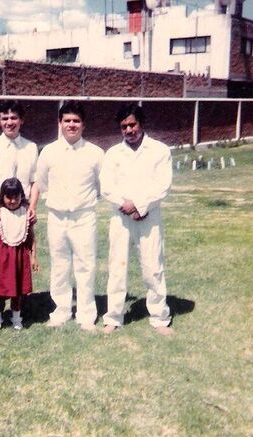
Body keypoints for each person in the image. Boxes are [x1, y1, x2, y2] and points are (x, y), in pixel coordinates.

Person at [100, 103, 174, 335]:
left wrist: (140, 206)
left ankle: (160, 317)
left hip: (149, 217)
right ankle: (113, 317)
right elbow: (106, 186)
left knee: (153, 267)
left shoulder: (160, 150)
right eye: (124, 127)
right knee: (117, 268)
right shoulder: (113, 153)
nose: (129, 130)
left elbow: (163, 185)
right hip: (121, 218)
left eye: (132, 124)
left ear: (141, 124)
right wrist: (125, 205)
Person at [36, 100, 104, 331]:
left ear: (83, 125)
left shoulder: (95, 153)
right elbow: (42, 182)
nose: (72, 125)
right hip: (56, 217)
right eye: (67, 121)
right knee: (60, 266)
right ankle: (61, 311)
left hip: (84, 217)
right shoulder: (48, 151)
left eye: (76, 121)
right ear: (60, 123)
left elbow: (101, 185)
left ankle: (86, 314)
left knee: (86, 266)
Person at [0, 100, 39, 318]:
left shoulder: (30, 147)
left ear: (21, 120)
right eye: (5, 118)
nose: (9, 122)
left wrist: (32, 207)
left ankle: (18, 303)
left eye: (13, 118)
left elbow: (35, 181)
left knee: (19, 257)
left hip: (21, 211)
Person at [0, 178, 39, 331]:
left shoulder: (26, 215)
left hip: (19, 258)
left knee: (17, 291)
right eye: (8, 197)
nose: (12, 200)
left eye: (16, 196)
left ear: (22, 196)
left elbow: (31, 237)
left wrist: (33, 257)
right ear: (2, 197)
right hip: (0, 258)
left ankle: (16, 317)